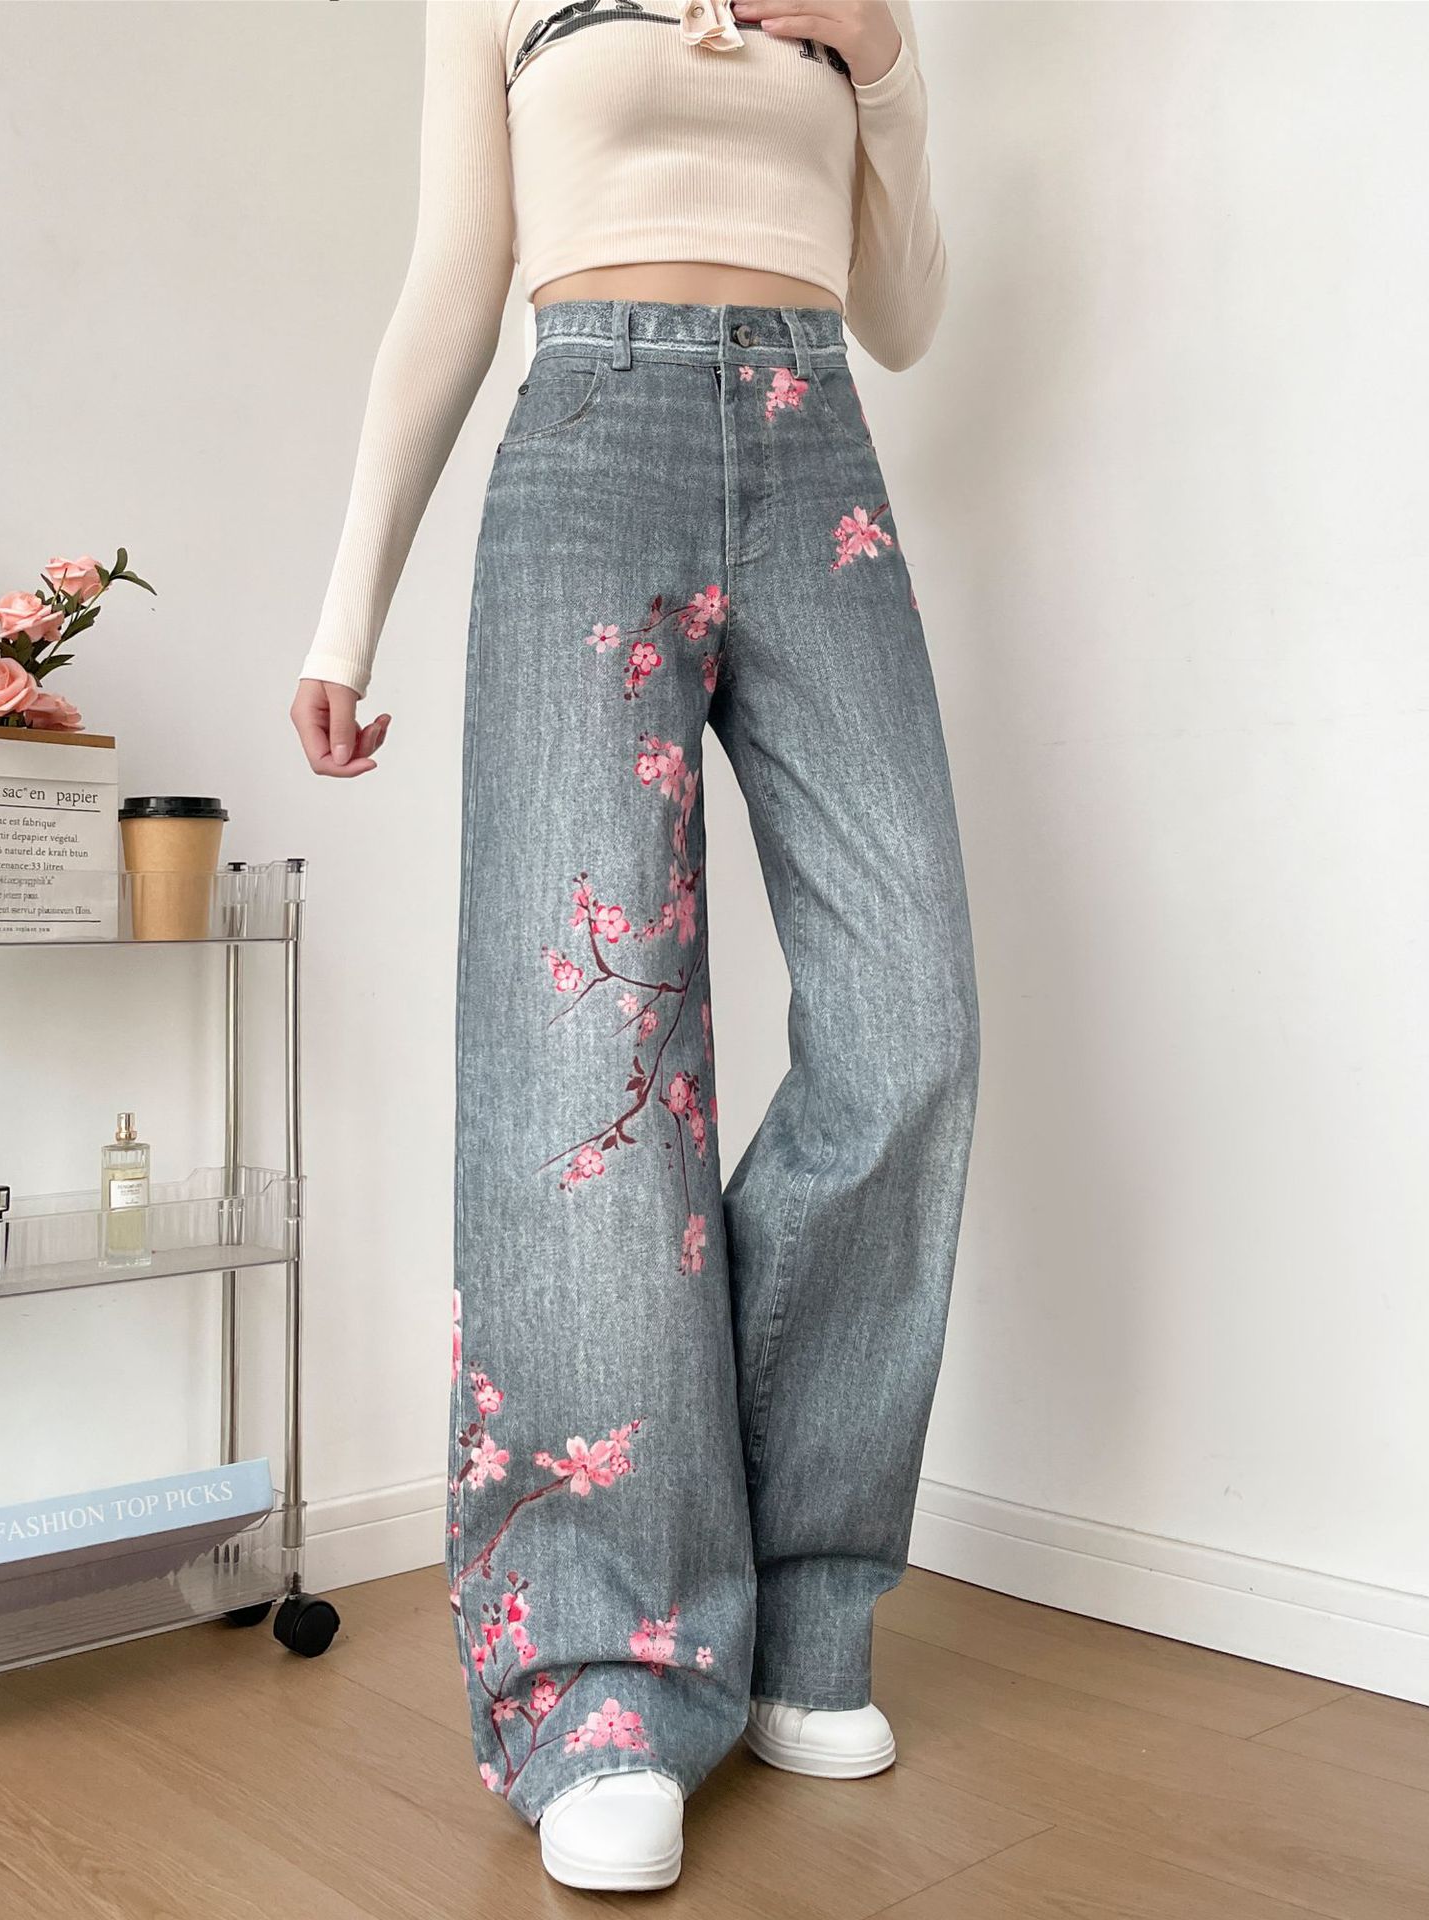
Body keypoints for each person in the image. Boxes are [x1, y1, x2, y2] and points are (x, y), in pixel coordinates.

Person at [292, 0, 979, 1892]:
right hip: (589, 445)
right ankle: (607, 1675)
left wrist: (887, 67)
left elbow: (908, 311)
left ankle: (803, 1600)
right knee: (590, 1071)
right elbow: (455, 277)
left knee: (911, 1025)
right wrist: (345, 614)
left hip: (822, 448)